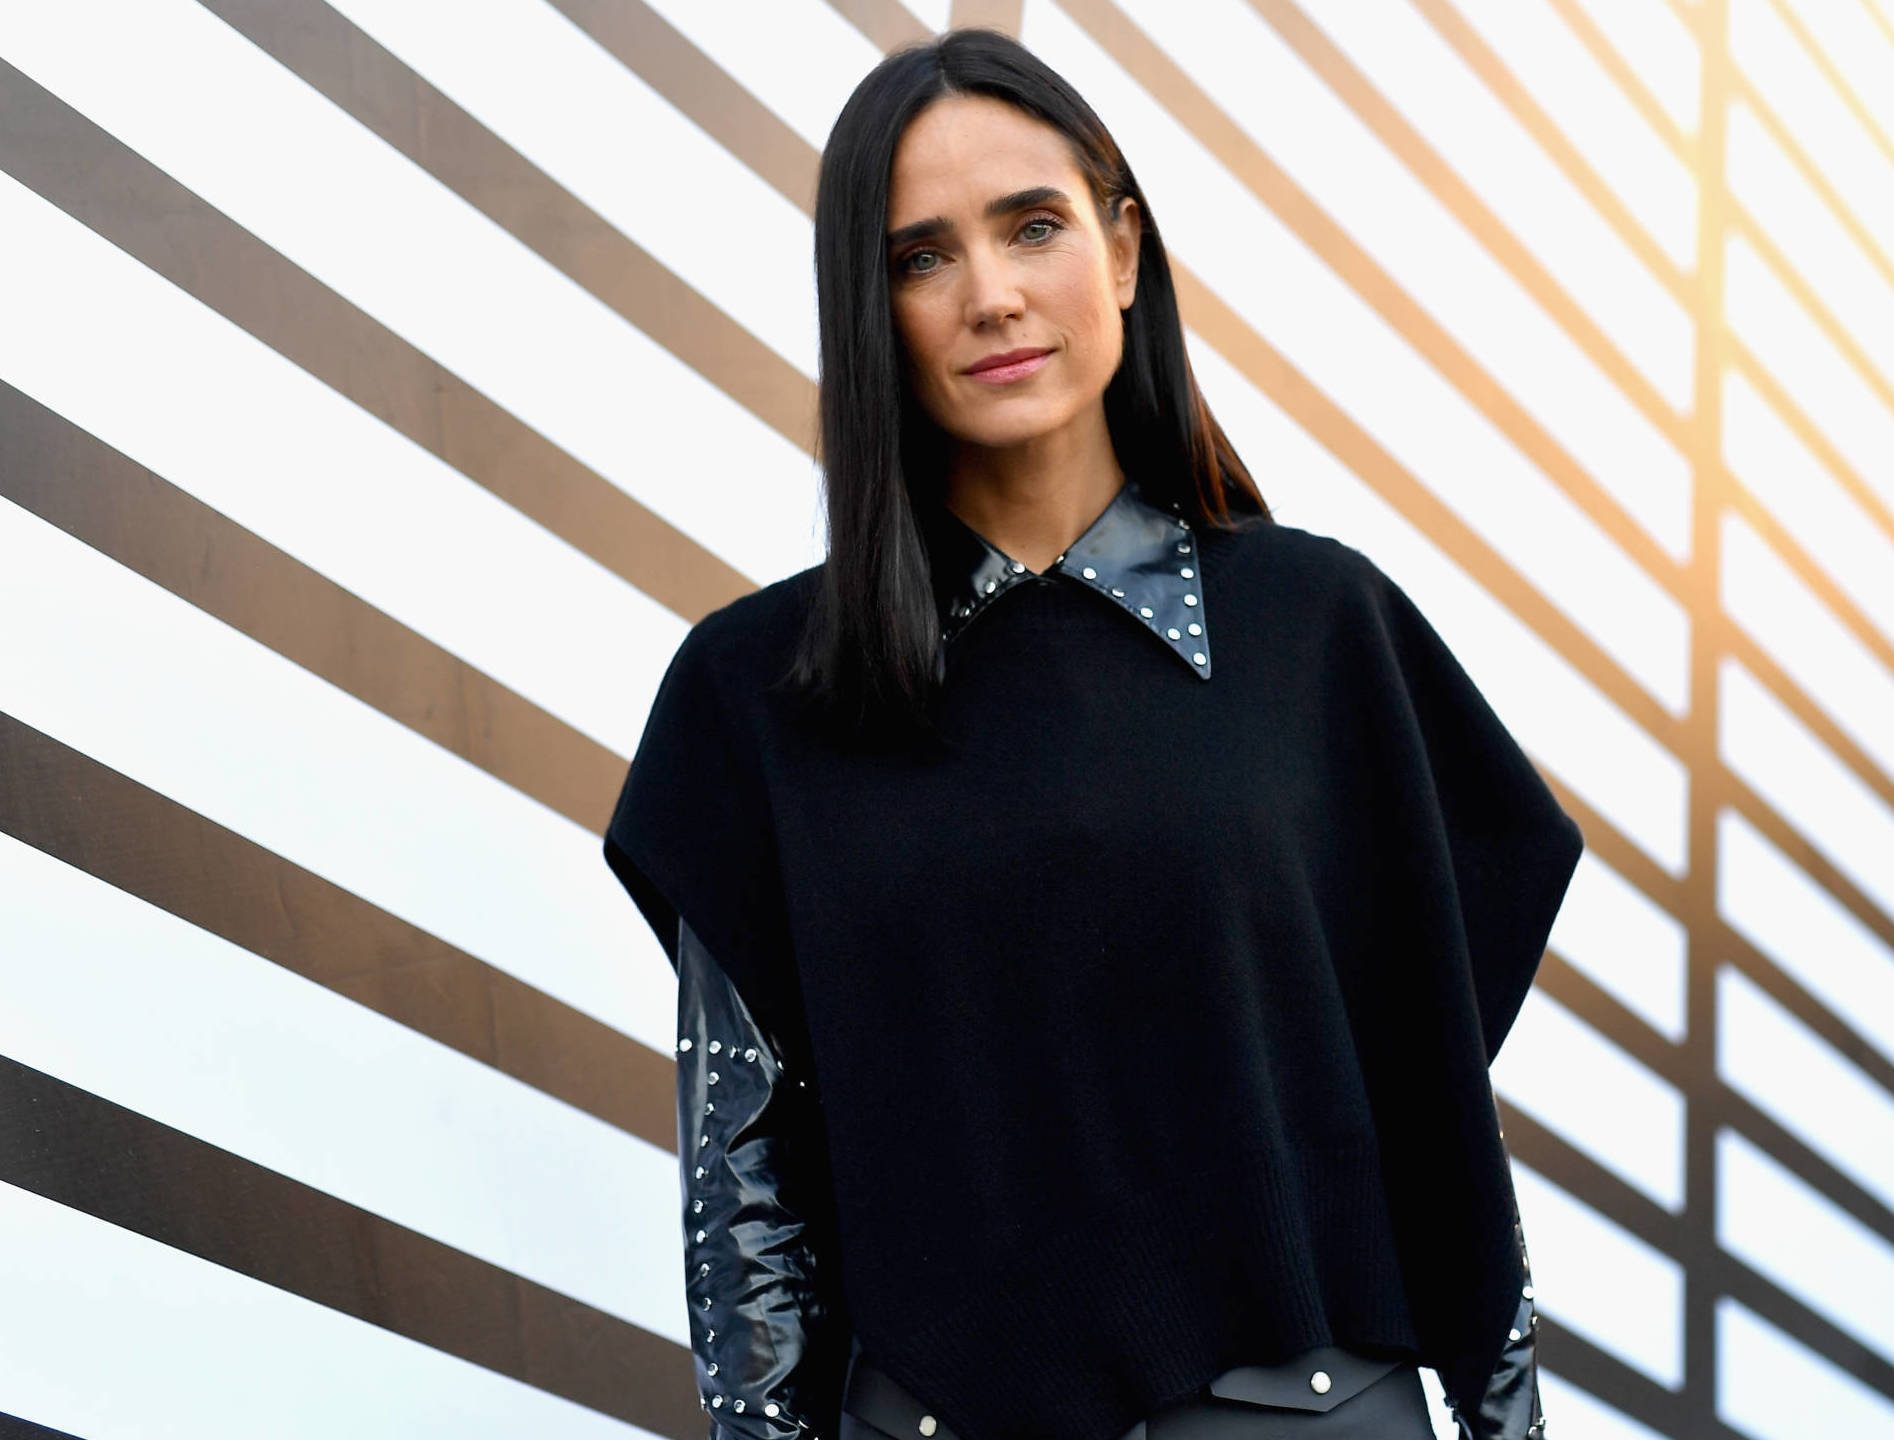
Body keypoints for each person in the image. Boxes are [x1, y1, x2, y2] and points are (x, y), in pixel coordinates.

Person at [603, 26, 1580, 1440]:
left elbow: (1431, 1112)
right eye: (920, 256)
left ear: (1121, 250)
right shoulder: (758, 693)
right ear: (864, 310)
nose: (990, 295)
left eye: (1033, 227)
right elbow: (744, 1199)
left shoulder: (1320, 630)